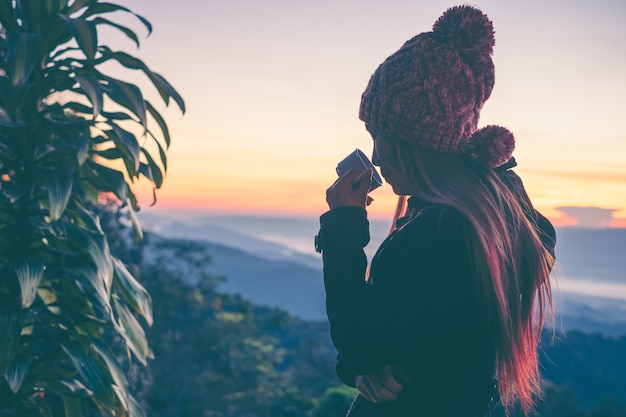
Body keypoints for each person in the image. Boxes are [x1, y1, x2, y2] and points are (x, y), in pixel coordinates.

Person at [314, 5, 556, 417]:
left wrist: (343, 227)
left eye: (383, 138)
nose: (376, 157)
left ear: (418, 141)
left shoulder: (438, 236)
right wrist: (361, 366)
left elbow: (361, 344)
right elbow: (407, 335)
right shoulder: (497, 219)